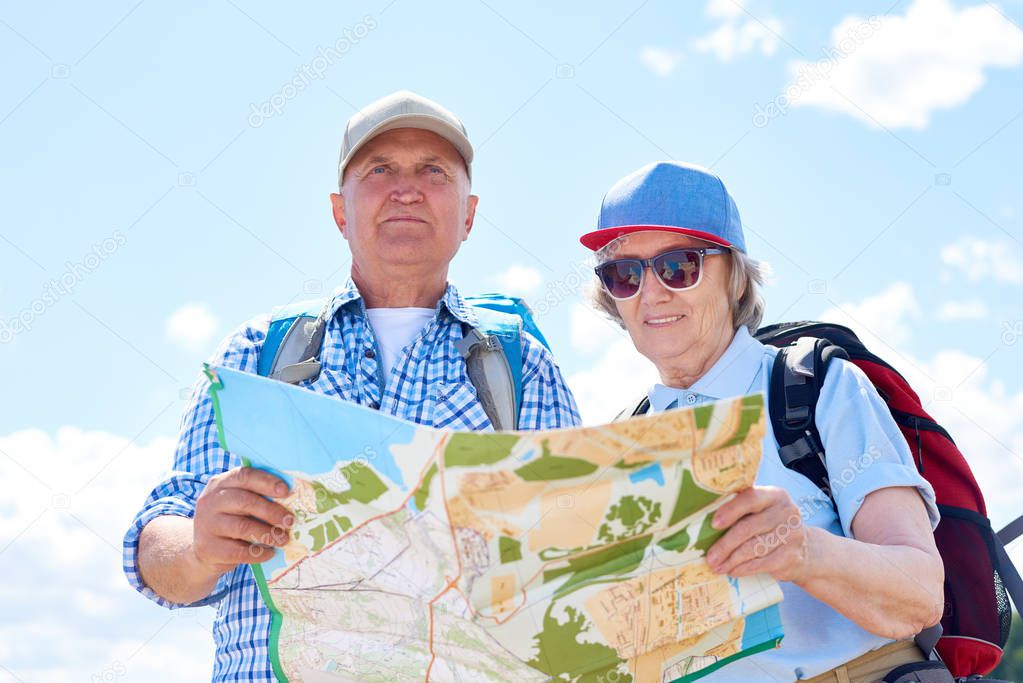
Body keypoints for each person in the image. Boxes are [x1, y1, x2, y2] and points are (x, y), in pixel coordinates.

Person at [123, 91, 580, 680]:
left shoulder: (523, 371)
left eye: (433, 171)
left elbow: (574, 570)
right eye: (380, 169)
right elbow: (160, 559)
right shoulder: (253, 355)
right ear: (340, 212)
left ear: (468, 214)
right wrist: (200, 544)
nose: (407, 188)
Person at [580, 161, 945, 682]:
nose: (651, 293)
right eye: (624, 274)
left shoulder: (815, 386)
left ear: (733, 273)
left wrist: (801, 550)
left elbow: (921, 596)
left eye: (678, 265)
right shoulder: (619, 445)